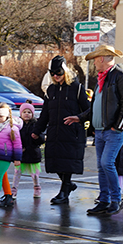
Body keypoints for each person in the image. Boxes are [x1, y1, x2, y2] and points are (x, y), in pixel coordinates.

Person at [64, 45, 123, 215]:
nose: (94, 64)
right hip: (101, 130)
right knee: (101, 166)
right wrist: (81, 117)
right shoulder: (102, 78)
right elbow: (95, 107)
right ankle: (104, 200)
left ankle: (115, 200)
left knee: (106, 163)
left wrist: (117, 126)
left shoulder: (121, 76)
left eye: (95, 60)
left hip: (113, 130)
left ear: (102, 58)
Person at [32, 55, 90, 205]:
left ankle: (64, 192)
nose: (56, 76)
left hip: (71, 133)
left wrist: (78, 118)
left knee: (67, 164)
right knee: (55, 162)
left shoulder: (76, 88)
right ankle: (68, 185)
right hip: (54, 132)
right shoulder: (50, 90)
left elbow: (88, 109)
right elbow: (45, 113)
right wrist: (37, 130)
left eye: (58, 73)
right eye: (53, 73)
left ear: (65, 72)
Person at [14, 101, 45, 199]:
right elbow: (15, 138)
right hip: (21, 153)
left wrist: (37, 138)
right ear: (20, 114)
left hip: (33, 153)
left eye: (29, 112)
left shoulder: (36, 125)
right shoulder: (18, 125)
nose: (26, 114)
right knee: (17, 173)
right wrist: (18, 148)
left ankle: (37, 188)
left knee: (35, 174)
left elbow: (42, 138)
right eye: (24, 112)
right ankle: (14, 190)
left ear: (32, 114)